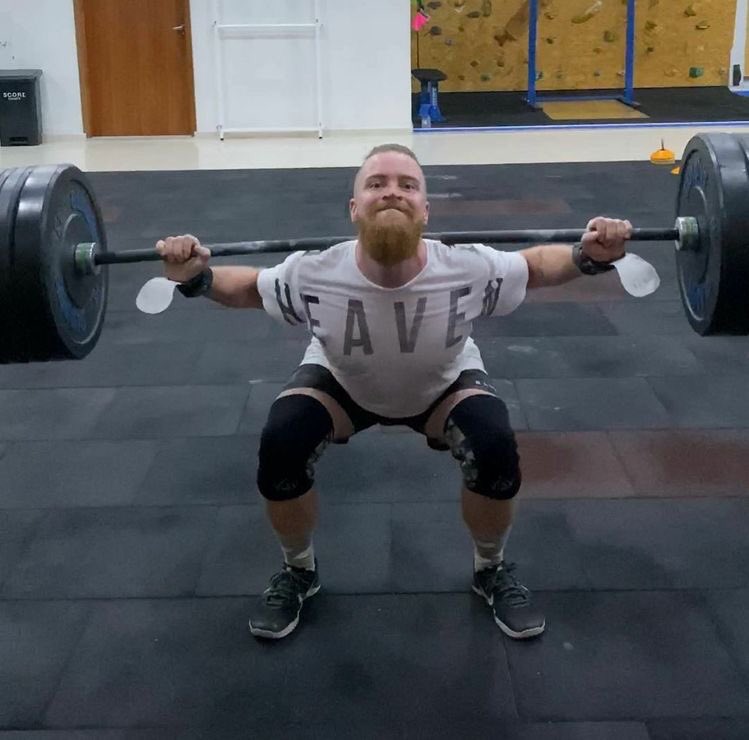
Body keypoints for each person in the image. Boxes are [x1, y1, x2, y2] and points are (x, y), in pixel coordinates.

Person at [156, 143, 632, 641]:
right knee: (282, 441)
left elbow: (534, 267)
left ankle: (490, 567)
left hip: (442, 385)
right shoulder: (315, 272)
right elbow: (250, 288)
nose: (392, 192)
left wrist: (587, 256)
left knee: (493, 444)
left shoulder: (465, 266)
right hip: (343, 384)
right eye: (376, 184)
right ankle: (299, 570)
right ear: (354, 208)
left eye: (407, 185)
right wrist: (197, 278)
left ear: (425, 210)